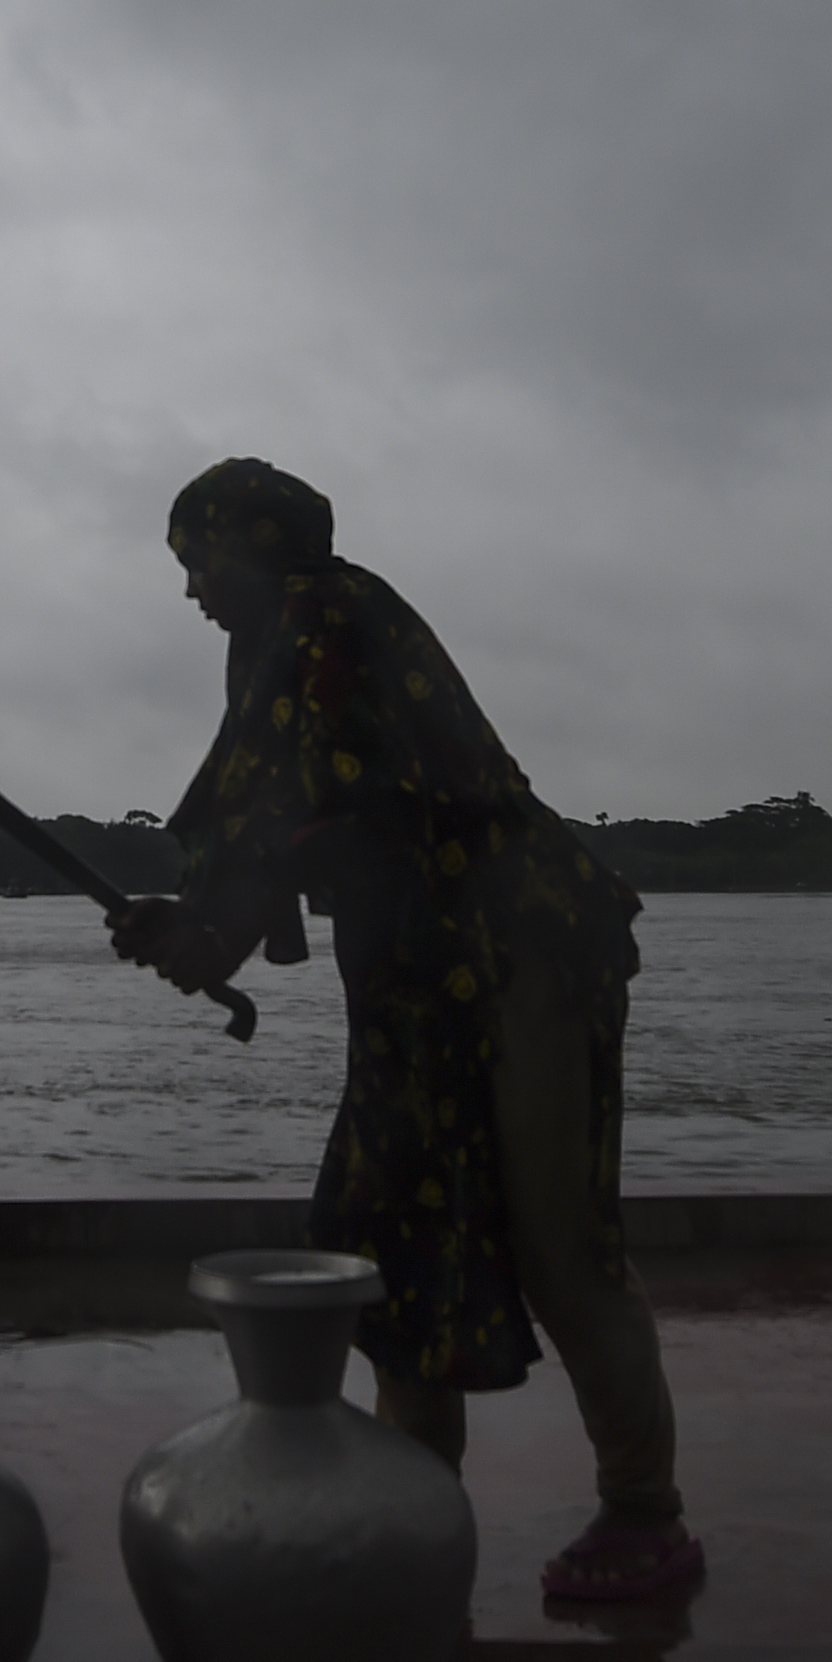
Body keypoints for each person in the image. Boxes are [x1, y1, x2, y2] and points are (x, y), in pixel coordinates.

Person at [109, 457, 698, 1603]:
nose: (190, 593)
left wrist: (207, 927)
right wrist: (197, 931)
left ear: (263, 544)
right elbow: (284, 821)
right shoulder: (282, 638)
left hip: (515, 950)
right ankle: (417, 1524)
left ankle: (647, 1514)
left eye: (199, 562)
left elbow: (334, 801)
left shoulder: (325, 615)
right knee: (392, 1241)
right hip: (415, 981)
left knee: (557, 1241)